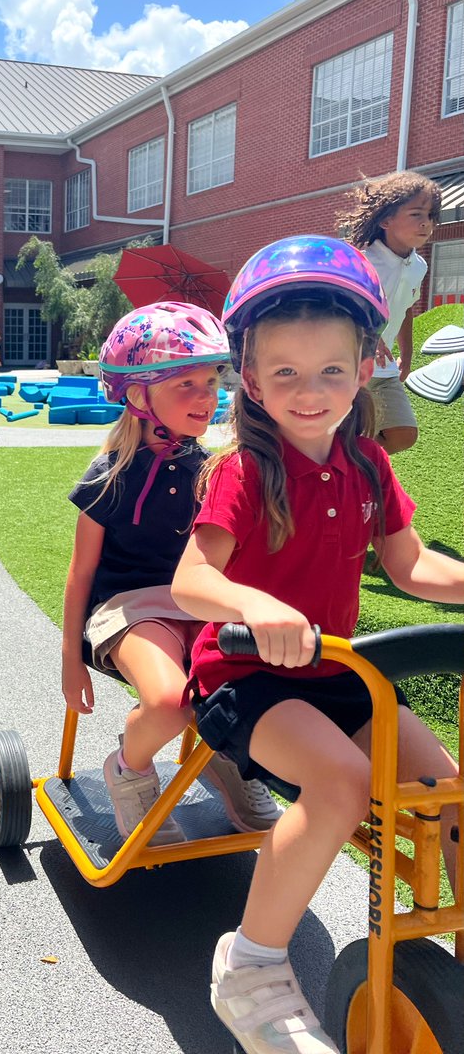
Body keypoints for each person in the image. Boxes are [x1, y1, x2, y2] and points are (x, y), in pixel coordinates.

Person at [170, 235, 462, 1054]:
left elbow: (409, 567)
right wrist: (255, 603)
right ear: (251, 380)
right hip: (246, 676)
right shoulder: (241, 469)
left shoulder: (367, 463)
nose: (309, 391)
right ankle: (251, 968)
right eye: (285, 373)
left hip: (339, 671)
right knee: (338, 784)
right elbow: (193, 581)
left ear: (364, 369)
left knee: (449, 797)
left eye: (330, 370)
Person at [62, 303, 282, 847]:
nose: (208, 396)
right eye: (187, 383)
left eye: (212, 381)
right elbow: (80, 571)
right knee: (169, 702)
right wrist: (71, 659)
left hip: (195, 602)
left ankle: (232, 762)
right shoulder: (108, 475)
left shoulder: (212, 468)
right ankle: (130, 769)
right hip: (128, 606)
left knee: (254, 684)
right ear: (138, 395)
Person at [337, 171, 440, 454]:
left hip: (383, 369)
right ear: (385, 220)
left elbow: (405, 309)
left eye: (431, 215)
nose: (426, 223)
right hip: (345, 366)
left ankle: (352, 469)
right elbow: (338, 309)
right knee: (341, 430)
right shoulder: (362, 262)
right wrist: (369, 333)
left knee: (402, 434)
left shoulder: (418, 265)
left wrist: (406, 355)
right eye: (416, 214)